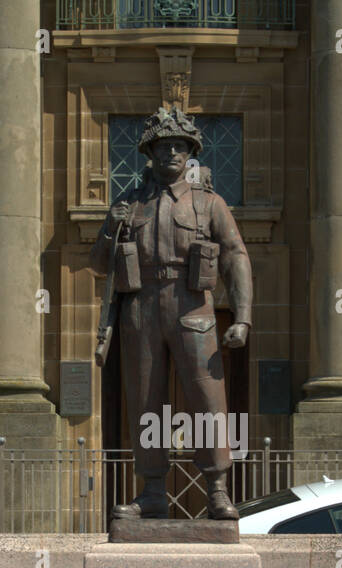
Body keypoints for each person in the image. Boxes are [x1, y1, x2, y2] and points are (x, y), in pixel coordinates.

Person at [90, 107, 253, 521]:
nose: (171, 153)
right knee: (146, 401)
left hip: (192, 306)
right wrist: (111, 227)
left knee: (208, 399)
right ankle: (152, 491)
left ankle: (216, 489)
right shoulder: (129, 204)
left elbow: (235, 255)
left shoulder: (209, 203)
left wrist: (242, 316)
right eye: (163, 147)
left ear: (191, 152)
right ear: (151, 153)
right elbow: (96, 261)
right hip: (140, 307)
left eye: (179, 146)